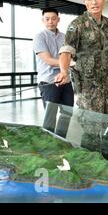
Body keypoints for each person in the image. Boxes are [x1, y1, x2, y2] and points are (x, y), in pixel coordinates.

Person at [55, 0, 108, 160]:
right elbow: (67, 50)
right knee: (91, 127)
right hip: (88, 87)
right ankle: (91, 162)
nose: (94, 2)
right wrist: (64, 71)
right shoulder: (78, 25)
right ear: (84, 2)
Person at [33, 8, 74, 138]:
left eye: (53, 18)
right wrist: (70, 63)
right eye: (47, 19)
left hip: (66, 81)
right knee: (50, 115)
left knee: (67, 112)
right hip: (49, 81)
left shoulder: (65, 37)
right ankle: (48, 142)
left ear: (58, 19)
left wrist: (71, 63)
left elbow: (71, 56)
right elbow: (48, 60)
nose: (50, 21)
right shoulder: (39, 37)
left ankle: (61, 140)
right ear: (43, 20)